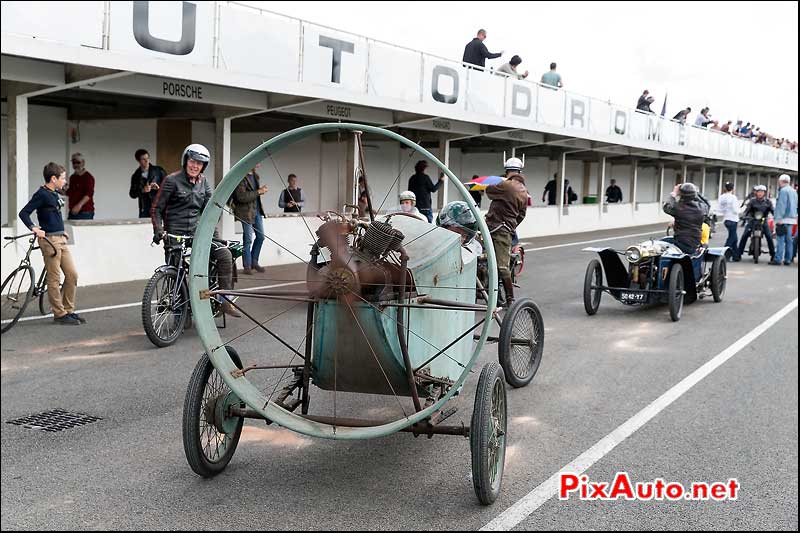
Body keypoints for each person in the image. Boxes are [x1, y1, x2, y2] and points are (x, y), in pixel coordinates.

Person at [151, 143, 240, 317]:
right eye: (192, 161)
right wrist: (158, 230)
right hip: (175, 236)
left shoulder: (204, 182)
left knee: (225, 255)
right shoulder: (171, 180)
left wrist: (214, 235)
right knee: (177, 273)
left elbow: (212, 210)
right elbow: (156, 209)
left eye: (199, 163)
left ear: (203, 166)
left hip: (197, 235)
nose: (195, 166)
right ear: (186, 160)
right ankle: (181, 313)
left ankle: (224, 301)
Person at [18, 163, 84, 325]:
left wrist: (62, 230)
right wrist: (34, 228)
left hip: (60, 238)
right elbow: (24, 213)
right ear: (53, 178)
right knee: (54, 278)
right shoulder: (41, 194)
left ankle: (69, 310)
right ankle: (59, 314)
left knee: (72, 274)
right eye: (62, 178)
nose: (65, 181)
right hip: (49, 241)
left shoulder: (54, 193)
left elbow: (53, 215)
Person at [484, 157, 528, 305]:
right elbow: (522, 214)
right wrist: (512, 225)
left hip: (497, 228)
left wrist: (498, 182)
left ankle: (510, 298)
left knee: (500, 266)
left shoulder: (507, 185)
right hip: (507, 229)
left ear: (507, 170)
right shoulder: (523, 189)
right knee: (497, 264)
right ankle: (497, 297)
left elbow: (489, 191)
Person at [232, 166, 268, 274]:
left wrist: (260, 190)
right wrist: (259, 191)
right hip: (245, 212)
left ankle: (254, 262)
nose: (259, 164)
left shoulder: (255, 176)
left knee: (261, 237)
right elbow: (241, 197)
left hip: (256, 211)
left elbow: (254, 194)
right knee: (247, 239)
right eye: (257, 162)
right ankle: (247, 265)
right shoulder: (241, 177)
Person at [662, 182, 707, 255]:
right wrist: (695, 193)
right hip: (695, 244)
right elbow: (706, 204)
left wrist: (674, 193)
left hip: (680, 243)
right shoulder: (701, 208)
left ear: (681, 195)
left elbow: (666, 207)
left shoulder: (678, 208)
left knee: (660, 243)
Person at [737, 185, 775, 261]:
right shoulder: (752, 201)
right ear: (756, 193)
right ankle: (738, 254)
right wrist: (743, 216)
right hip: (752, 221)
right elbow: (746, 211)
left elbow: (773, 211)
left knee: (769, 237)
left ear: (764, 193)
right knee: (744, 235)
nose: (760, 193)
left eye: (762, 192)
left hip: (763, 221)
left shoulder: (768, 202)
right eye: (758, 192)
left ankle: (773, 255)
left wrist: (776, 216)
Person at [129, 148, 166, 218]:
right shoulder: (136, 176)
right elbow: (132, 194)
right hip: (144, 209)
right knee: (144, 228)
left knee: (160, 227)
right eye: (143, 159)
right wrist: (142, 190)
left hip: (159, 206)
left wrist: (159, 188)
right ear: (138, 161)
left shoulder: (159, 171)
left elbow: (169, 187)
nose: (147, 161)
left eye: (147, 158)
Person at [771, 174, 797, 265]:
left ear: (781, 181)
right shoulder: (793, 191)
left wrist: (778, 219)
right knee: (789, 240)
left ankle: (778, 259)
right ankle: (788, 259)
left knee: (780, 239)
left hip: (783, 218)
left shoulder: (783, 191)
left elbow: (782, 205)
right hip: (792, 218)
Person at [65, 152, 95, 220]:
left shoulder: (88, 177)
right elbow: (70, 192)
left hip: (85, 212)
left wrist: (79, 205)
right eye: (74, 162)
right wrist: (59, 190)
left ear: (83, 163)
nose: (75, 165)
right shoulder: (72, 177)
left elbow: (89, 193)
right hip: (73, 211)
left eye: (78, 162)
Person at [716, 182, 741, 261]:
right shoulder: (733, 197)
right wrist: (739, 211)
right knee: (731, 238)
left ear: (725, 188)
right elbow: (735, 210)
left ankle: (736, 256)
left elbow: (720, 208)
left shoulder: (721, 197)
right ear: (733, 189)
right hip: (733, 219)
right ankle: (724, 254)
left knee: (734, 238)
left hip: (726, 219)